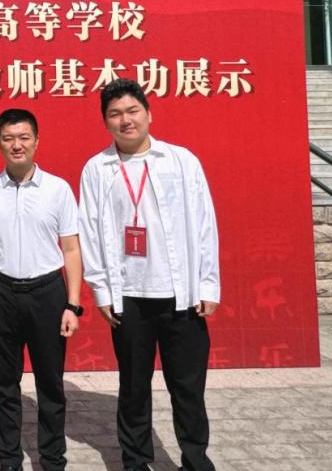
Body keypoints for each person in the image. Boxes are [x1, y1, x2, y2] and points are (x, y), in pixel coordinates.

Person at [77, 78, 220, 471]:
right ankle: (136, 460)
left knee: (188, 388)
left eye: (132, 111)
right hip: (129, 297)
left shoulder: (181, 161)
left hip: (181, 294)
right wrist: (101, 291)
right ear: (106, 122)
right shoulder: (98, 169)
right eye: (115, 114)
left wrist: (208, 283)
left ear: (148, 113)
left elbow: (205, 223)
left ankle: (195, 459)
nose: (126, 120)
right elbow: (89, 231)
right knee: (133, 387)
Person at [0, 108, 84, 471]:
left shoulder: (58, 189)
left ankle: (52, 459)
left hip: (48, 293)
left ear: (36, 141)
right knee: (5, 384)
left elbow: (71, 248)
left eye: (23, 137)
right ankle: (9, 460)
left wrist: (73, 304)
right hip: (0, 292)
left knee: (51, 384)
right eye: (8, 138)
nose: (16, 145)